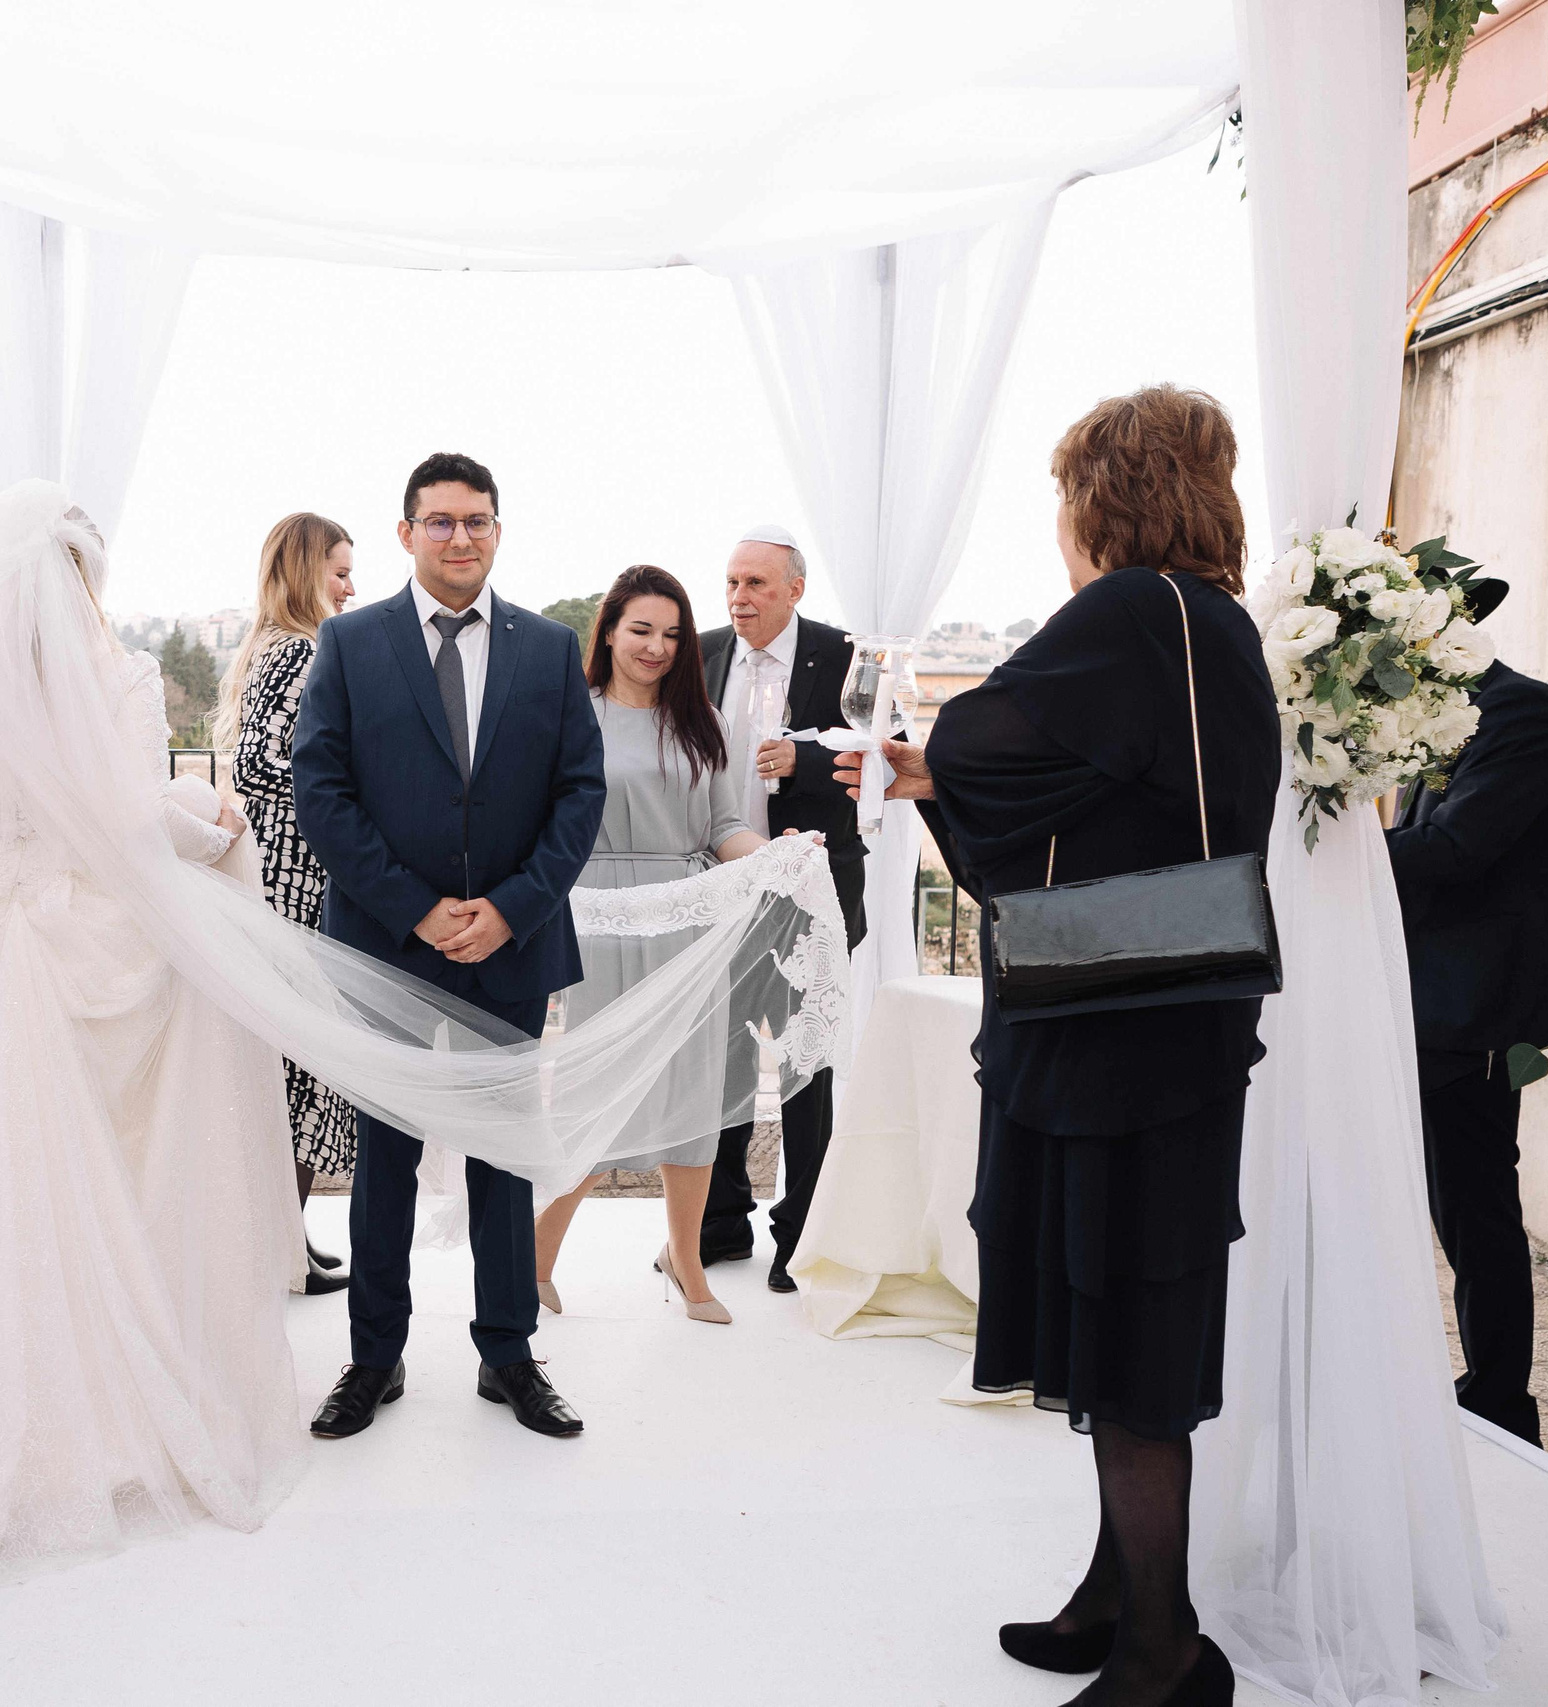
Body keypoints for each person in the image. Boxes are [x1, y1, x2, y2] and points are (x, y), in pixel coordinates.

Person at [845, 386, 1274, 1707]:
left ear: (1108, 493)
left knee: (1132, 1322)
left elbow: (990, 729)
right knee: (1124, 1305)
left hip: (1118, 1032)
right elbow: (1110, 784)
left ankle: (1165, 1648)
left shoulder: (1136, 608)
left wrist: (927, 760)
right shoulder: (1214, 623)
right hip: (1175, 1011)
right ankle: (1119, 1588)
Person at [0, 483, 303, 1583]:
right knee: (92, 1193)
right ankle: (96, 1437)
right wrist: (214, 819)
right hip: (76, 943)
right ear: (85, 580)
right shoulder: (120, 678)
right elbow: (131, 816)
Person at [292, 451, 605, 1440]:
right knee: (382, 1156)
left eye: (476, 521)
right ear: (405, 533)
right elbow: (321, 792)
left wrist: (510, 908)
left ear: (497, 532)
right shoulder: (349, 642)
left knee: (503, 1157)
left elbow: (579, 792)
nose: (459, 537)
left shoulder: (551, 650)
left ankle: (508, 1354)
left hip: (511, 948)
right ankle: (371, 1358)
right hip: (386, 948)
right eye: (440, 521)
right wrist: (415, 909)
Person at [1387, 621, 1548, 1449]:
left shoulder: (1524, 714)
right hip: (1433, 999)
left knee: (1476, 1208)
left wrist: (1334, 856)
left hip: (1479, 1005)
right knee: (1457, 1205)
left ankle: (1502, 1403)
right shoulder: (1449, 726)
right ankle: (1482, 1387)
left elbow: (1455, 848)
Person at [532, 565, 767, 1326]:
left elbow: (723, 825)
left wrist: (772, 855)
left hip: (691, 922)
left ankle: (686, 1258)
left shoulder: (703, 721)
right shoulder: (572, 716)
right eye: (642, 629)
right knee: (599, 1095)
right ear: (607, 631)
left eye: (673, 634)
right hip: (601, 921)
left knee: (692, 1098)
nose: (658, 646)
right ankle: (534, 1259)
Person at [698, 526, 866, 1291]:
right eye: (732, 583)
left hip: (814, 891)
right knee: (723, 1056)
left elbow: (884, 758)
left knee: (805, 1062)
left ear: (795, 588)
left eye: (756, 584)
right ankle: (721, 1222)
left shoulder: (841, 654)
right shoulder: (699, 654)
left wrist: (809, 762)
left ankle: (802, 1236)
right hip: (722, 888)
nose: (739, 598)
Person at [219, 511, 360, 1296]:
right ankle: (281, 1248)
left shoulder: (275, 648)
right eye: (339, 570)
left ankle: (288, 1234)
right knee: (300, 1059)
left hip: (286, 868)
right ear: (306, 570)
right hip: (295, 878)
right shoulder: (300, 651)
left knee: (294, 1061)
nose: (351, 584)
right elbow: (266, 761)